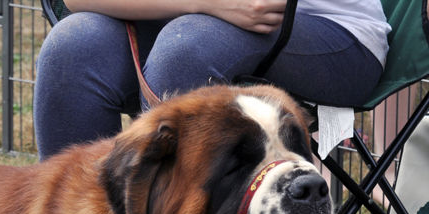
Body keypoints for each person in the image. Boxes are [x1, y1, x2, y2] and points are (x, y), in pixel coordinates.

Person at [34, 0, 391, 160]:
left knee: (185, 49)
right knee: (72, 48)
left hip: (340, 37)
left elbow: (258, 5)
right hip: (196, 15)